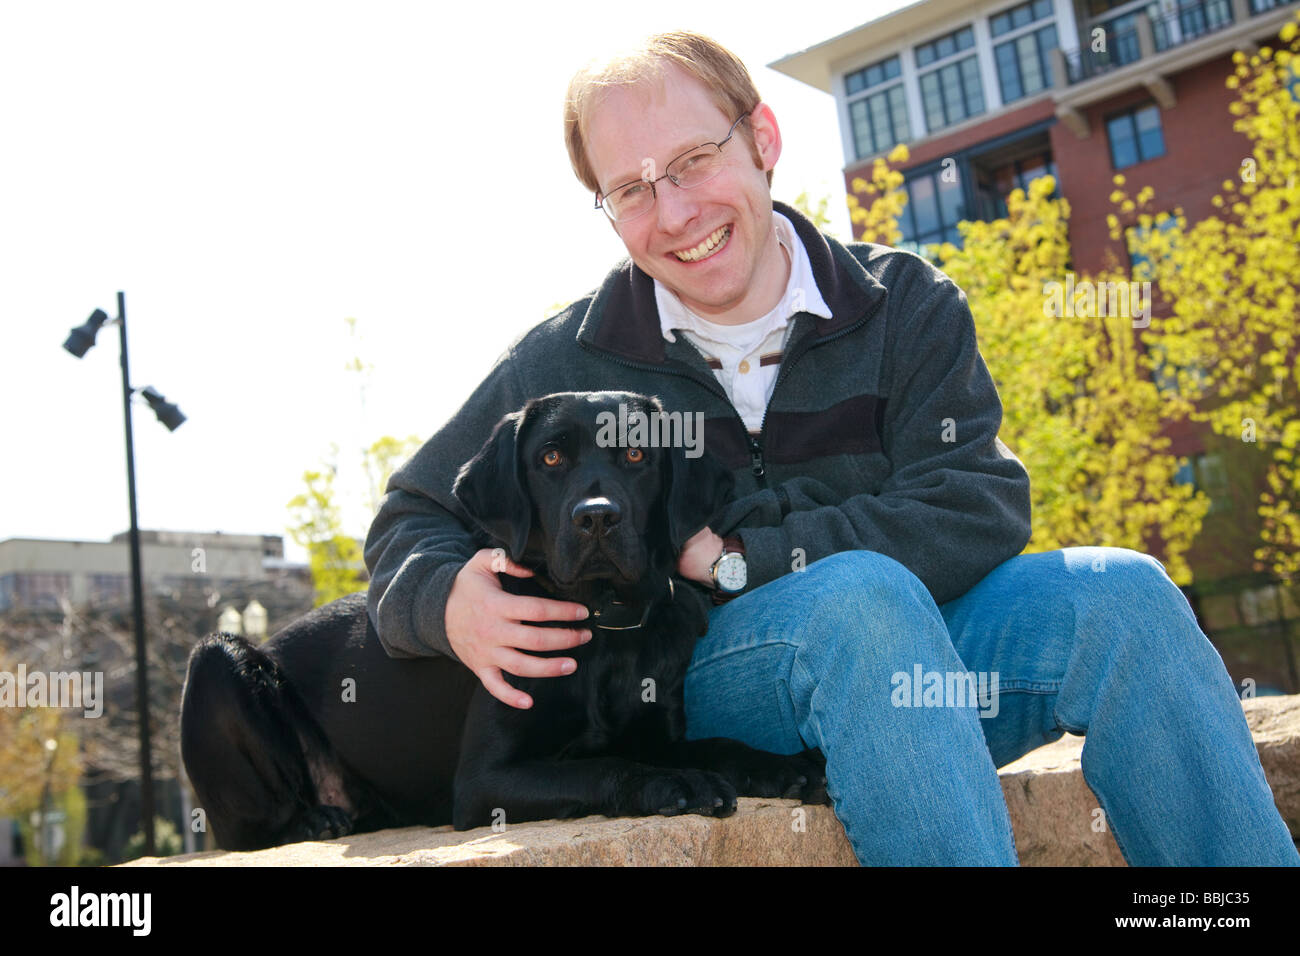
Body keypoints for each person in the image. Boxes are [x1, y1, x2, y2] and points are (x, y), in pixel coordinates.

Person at [363, 31, 1299, 866]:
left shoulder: (904, 305)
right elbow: (411, 518)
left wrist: (745, 557)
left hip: (929, 666)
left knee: (1124, 593)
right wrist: (446, 603)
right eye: (631, 190)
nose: (676, 211)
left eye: (693, 160)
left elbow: (977, 504)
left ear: (763, 140)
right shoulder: (566, 360)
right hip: (692, 680)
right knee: (862, 599)